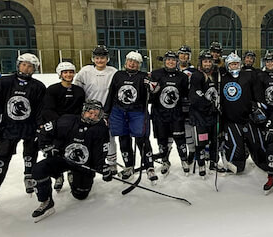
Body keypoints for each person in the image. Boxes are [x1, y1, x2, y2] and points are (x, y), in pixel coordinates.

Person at [0, 53, 46, 206]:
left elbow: (40, 110)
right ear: (18, 65)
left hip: (29, 127)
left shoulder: (38, 86)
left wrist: (40, 127)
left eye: (30, 66)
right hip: (8, 126)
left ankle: (29, 178)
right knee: (1, 155)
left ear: (34, 69)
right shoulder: (3, 82)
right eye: (24, 64)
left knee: (30, 154)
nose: (26, 68)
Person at [30, 100, 110, 221]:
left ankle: (73, 174)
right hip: (62, 159)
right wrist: (46, 147)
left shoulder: (101, 129)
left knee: (80, 195)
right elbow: (44, 131)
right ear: (84, 111)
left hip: (83, 165)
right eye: (91, 112)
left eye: (96, 114)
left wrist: (102, 167)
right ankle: (46, 201)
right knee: (38, 169)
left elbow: (100, 152)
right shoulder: (67, 120)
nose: (93, 116)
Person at [104, 51, 158, 182]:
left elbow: (153, 92)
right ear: (125, 62)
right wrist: (106, 111)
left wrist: (151, 87)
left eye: (136, 62)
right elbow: (112, 93)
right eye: (130, 61)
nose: (132, 64)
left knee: (142, 139)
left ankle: (149, 166)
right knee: (124, 139)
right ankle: (129, 166)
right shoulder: (118, 75)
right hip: (119, 111)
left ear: (139, 65)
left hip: (137, 112)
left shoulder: (143, 76)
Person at [220, 52, 270, 174]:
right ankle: (235, 162)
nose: (234, 66)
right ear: (227, 65)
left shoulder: (249, 76)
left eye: (236, 63)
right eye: (232, 64)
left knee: (257, 142)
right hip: (231, 119)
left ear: (240, 64)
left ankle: (263, 161)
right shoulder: (223, 78)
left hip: (249, 118)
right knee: (236, 148)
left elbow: (258, 93)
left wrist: (259, 106)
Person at [73, 45, 118, 180]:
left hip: (106, 111)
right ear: (93, 59)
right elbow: (77, 90)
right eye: (97, 58)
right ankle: (90, 160)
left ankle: (112, 163)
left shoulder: (113, 72)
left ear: (107, 59)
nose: (100, 60)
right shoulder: (85, 71)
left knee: (109, 137)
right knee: (88, 137)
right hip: (89, 112)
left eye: (102, 58)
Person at [40, 61, 86, 191]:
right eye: (65, 72)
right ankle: (58, 175)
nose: (68, 74)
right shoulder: (53, 89)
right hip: (58, 127)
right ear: (60, 74)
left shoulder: (79, 91)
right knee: (56, 151)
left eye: (71, 72)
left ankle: (71, 171)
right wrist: (59, 124)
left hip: (74, 127)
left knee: (72, 150)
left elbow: (80, 110)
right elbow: (48, 109)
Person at [149, 51, 190, 175]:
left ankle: (184, 159)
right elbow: (149, 96)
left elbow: (185, 95)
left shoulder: (182, 77)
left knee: (180, 138)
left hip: (176, 114)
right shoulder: (156, 74)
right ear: (164, 61)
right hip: (159, 114)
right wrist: (152, 92)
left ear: (177, 62)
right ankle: (165, 161)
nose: (171, 62)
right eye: (168, 60)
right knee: (162, 139)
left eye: (173, 60)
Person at [188, 50, 220, 178]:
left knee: (214, 140)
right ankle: (201, 163)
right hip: (200, 116)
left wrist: (217, 105)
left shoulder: (216, 75)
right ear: (201, 62)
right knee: (201, 141)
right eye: (205, 61)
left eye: (209, 61)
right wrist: (209, 106)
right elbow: (195, 96)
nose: (207, 64)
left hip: (212, 116)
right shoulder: (197, 75)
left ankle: (213, 162)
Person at [177, 45, 197, 167]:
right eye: (181, 54)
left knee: (187, 129)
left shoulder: (194, 72)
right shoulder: (172, 69)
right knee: (176, 131)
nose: (183, 57)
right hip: (175, 106)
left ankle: (192, 151)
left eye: (186, 54)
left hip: (189, 105)